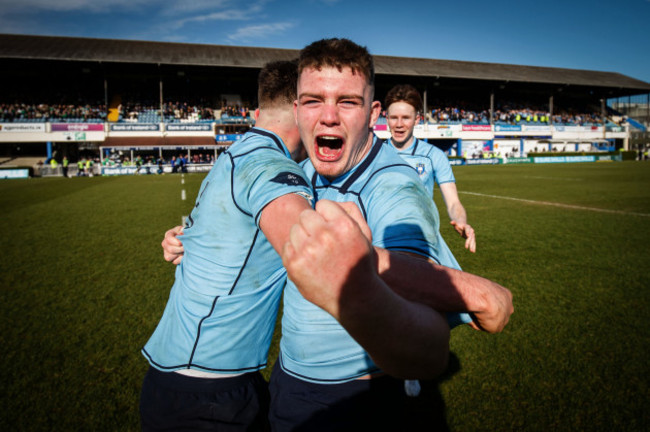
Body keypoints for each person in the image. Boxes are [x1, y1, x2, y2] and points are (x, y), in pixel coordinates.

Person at [161, 39, 513, 431]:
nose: (328, 116)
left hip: (351, 398)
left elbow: (429, 354)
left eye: (347, 101)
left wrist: (467, 293)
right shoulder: (306, 171)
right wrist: (195, 236)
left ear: (372, 113)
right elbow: (280, 234)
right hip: (289, 380)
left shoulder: (394, 186)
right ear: (296, 110)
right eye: (313, 100)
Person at [140, 60, 314, 431]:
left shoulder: (234, 156)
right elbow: (316, 259)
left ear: (256, 113)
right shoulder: (271, 167)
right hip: (211, 391)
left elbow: (212, 229)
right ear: (300, 110)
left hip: (178, 377)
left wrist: (179, 238)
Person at [384, 84, 476, 253]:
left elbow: (453, 202)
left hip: (423, 241)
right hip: (382, 242)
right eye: (393, 117)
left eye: (405, 117)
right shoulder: (375, 153)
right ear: (386, 118)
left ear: (417, 120)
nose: (398, 124)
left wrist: (461, 221)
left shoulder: (434, 156)